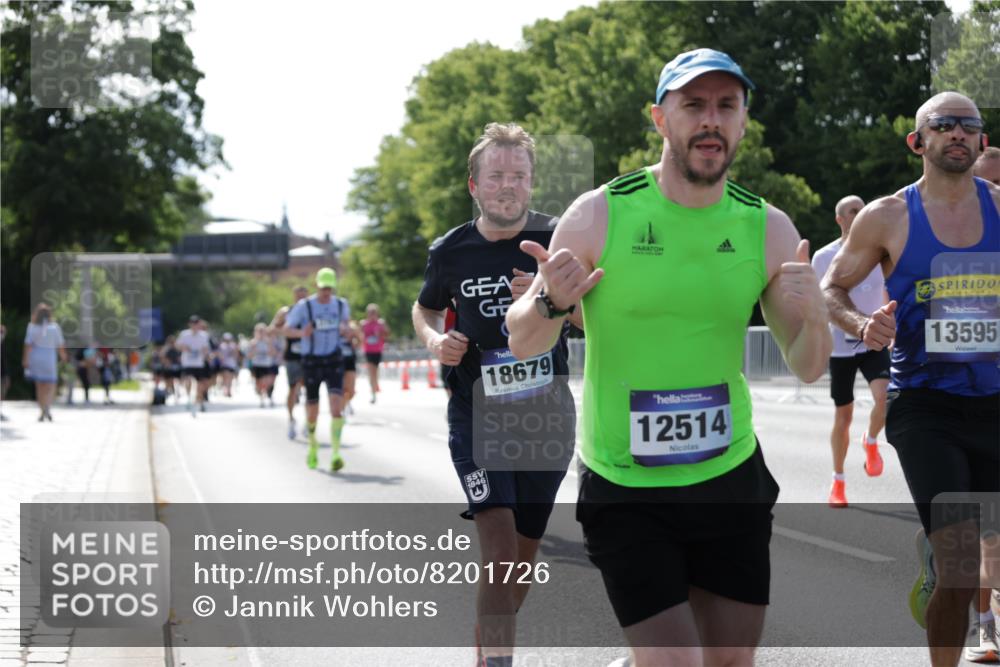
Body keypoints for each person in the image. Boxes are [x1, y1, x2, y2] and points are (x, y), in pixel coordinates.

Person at [506, 49, 832, 667]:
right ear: (660, 118)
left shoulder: (770, 228)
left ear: (741, 123)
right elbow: (522, 339)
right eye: (694, 105)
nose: (711, 121)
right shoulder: (601, 212)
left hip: (729, 477)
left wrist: (813, 314)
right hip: (627, 486)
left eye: (726, 107)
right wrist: (548, 301)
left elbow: (809, 365)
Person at [822, 91, 999, 667]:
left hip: (995, 400)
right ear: (917, 142)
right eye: (943, 125)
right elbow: (833, 287)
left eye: (969, 126)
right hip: (925, 405)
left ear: (982, 142)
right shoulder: (887, 216)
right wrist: (859, 324)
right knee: (959, 561)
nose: (958, 134)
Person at [413, 122, 580, 667]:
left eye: (519, 176)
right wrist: (436, 339)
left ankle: (490, 646)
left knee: (521, 559)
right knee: (501, 549)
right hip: (476, 414)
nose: (508, 185)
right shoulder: (450, 251)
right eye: (496, 176)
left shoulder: (560, 239)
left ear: (532, 184)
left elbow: (590, 317)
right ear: (474, 186)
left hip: (546, 415)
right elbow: (425, 307)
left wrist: (545, 300)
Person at [811, 195, 890, 507]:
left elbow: (886, 290)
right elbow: (819, 304)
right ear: (839, 219)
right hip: (840, 347)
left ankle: (871, 442)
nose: (859, 215)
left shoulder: (878, 252)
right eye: (852, 211)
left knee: (886, 398)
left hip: (873, 341)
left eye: (862, 210)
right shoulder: (823, 256)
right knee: (843, 415)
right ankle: (838, 480)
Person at [284, 268, 352, 471]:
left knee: (336, 408)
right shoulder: (304, 306)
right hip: (311, 361)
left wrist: (346, 330)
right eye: (323, 288)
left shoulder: (340, 304)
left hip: (333, 360)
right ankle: (313, 446)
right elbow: (286, 330)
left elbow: (347, 325)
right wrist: (301, 332)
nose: (326, 292)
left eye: (329, 288)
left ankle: (336, 453)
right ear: (317, 286)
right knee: (312, 410)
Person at [23, 303, 68, 422]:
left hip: (36, 358)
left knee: (40, 386)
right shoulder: (54, 327)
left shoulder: (31, 327)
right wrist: (63, 357)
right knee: (50, 385)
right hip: (49, 358)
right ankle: (47, 407)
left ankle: (42, 409)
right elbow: (60, 345)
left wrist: (26, 360)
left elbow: (28, 345)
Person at [274, 286, 309, 439]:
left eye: (304, 296)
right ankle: (291, 419)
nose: (301, 299)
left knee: (310, 389)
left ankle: (309, 421)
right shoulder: (286, 311)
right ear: (294, 296)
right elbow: (273, 328)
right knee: (293, 388)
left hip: (310, 355)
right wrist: (285, 327)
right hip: (292, 355)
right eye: (298, 296)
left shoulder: (312, 310)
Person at [177, 315, 212, 415]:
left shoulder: (204, 335)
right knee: (188, 380)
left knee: (200, 385)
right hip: (187, 363)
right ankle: (188, 397)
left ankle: (199, 402)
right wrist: (183, 347)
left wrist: (206, 355)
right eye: (193, 323)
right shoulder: (184, 334)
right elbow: (178, 345)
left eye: (196, 323)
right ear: (190, 324)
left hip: (199, 363)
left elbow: (206, 349)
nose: (195, 325)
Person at [362, 303, 390, 403]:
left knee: (376, 372)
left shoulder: (380, 323)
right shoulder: (364, 324)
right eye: (370, 313)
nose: (372, 314)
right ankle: (373, 394)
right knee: (371, 372)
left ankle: (374, 388)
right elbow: (360, 336)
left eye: (374, 312)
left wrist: (382, 330)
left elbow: (387, 335)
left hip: (378, 350)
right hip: (368, 351)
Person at [249, 323, 277, 407]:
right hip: (257, 365)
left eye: (263, 331)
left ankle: (268, 393)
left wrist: (269, 345)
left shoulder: (269, 341)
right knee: (259, 383)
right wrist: (254, 349)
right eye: (259, 331)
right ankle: (261, 398)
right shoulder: (253, 342)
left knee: (267, 382)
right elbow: (249, 356)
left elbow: (273, 353)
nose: (261, 333)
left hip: (267, 364)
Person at [340, 318, 362, 416]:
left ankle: (346, 402)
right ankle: (342, 409)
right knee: (341, 388)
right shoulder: (333, 326)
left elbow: (361, 340)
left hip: (350, 360)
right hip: (336, 362)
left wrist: (355, 342)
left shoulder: (351, 326)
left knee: (351, 391)